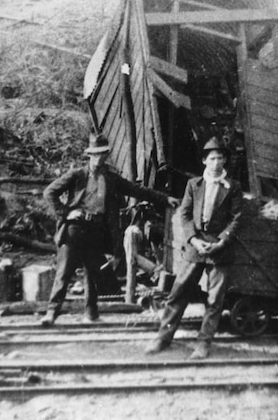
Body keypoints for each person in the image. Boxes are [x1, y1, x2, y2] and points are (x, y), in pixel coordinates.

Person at [40, 133, 179, 327]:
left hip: (96, 230)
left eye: (102, 155)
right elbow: (49, 192)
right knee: (64, 271)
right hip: (75, 228)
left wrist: (165, 199)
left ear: (106, 155)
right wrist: (65, 213)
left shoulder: (111, 178)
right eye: (95, 155)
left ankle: (91, 313)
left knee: (93, 272)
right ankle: (51, 313)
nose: (98, 159)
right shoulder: (77, 175)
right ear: (89, 155)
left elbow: (137, 190)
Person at [145, 137, 243, 359]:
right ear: (204, 161)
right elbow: (185, 214)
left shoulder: (233, 187)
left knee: (214, 300)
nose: (216, 163)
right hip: (196, 246)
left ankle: (203, 343)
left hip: (220, 250)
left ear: (225, 161)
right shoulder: (194, 185)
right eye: (212, 159)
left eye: (220, 158)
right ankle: (163, 337)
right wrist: (193, 240)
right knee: (178, 292)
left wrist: (221, 241)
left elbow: (237, 218)